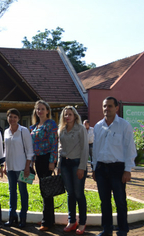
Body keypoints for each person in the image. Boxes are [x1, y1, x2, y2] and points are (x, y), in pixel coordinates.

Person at [92, 96, 137, 236]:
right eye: (105, 106)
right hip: (101, 168)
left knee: (120, 201)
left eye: (110, 106)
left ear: (116, 108)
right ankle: (107, 229)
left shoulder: (124, 125)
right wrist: (94, 168)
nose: (107, 109)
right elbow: (95, 150)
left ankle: (122, 229)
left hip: (117, 169)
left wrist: (127, 170)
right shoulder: (98, 126)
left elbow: (130, 148)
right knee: (104, 202)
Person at [58, 106, 89, 235]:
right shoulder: (62, 130)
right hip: (65, 163)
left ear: (75, 116)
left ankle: (82, 222)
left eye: (70, 114)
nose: (67, 116)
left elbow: (85, 149)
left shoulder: (80, 129)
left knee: (78, 193)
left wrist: (82, 167)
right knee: (70, 194)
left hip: (77, 163)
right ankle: (72, 221)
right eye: (65, 114)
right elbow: (60, 148)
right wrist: (59, 165)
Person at [3, 108, 34, 228]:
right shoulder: (6, 132)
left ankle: (23, 218)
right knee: (12, 192)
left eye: (15, 117)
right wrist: (5, 165)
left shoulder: (24, 131)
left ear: (19, 119)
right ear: (7, 118)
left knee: (22, 192)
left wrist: (27, 167)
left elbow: (29, 150)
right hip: (10, 167)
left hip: (21, 167)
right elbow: (6, 150)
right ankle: (12, 216)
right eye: (10, 117)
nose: (12, 119)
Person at [30, 100, 58, 231]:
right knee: (44, 190)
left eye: (42, 109)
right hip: (38, 160)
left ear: (47, 111)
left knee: (47, 190)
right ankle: (48, 219)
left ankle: (47, 222)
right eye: (38, 109)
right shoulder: (34, 126)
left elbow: (54, 143)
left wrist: (52, 161)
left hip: (47, 159)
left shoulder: (50, 124)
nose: (40, 111)